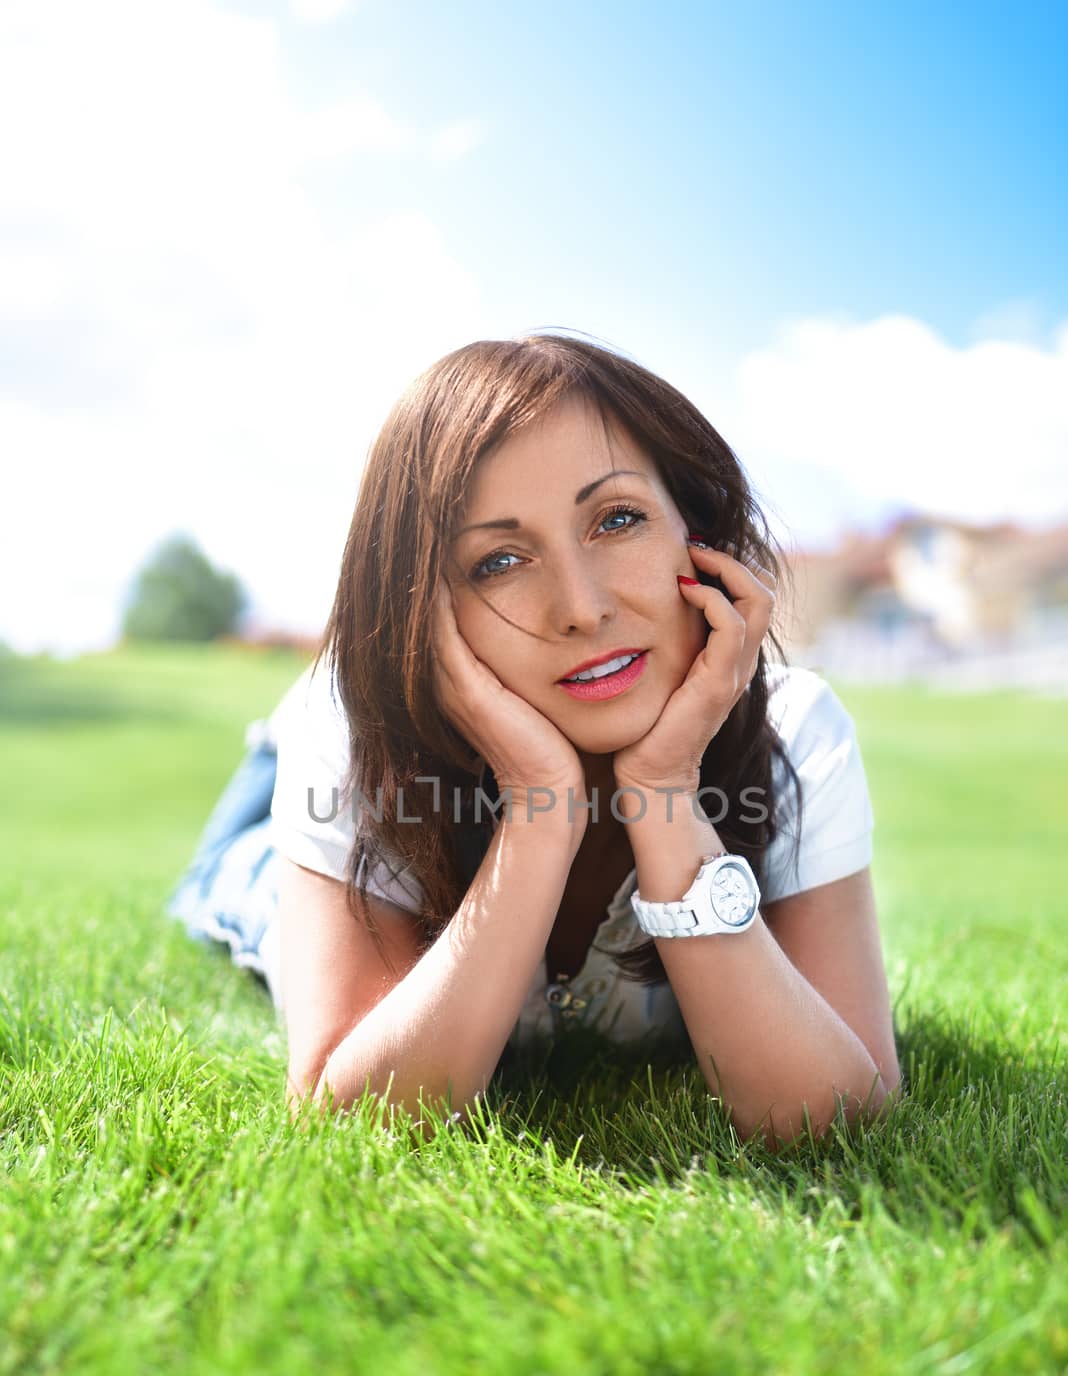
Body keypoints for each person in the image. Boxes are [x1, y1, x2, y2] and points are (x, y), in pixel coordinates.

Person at [167, 332, 902, 1149]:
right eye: (499, 561)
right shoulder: (348, 731)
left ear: (698, 534)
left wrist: (663, 788)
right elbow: (351, 1116)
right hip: (298, 824)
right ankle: (259, 781)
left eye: (617, 519)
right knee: (233, 883)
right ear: (425, 607)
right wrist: (540, 810)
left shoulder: (794, 735)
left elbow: (834, 1113)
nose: (581, 609)